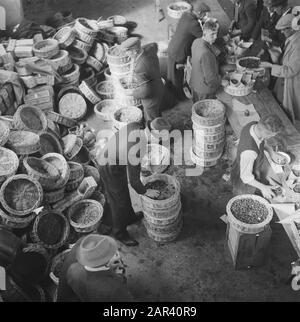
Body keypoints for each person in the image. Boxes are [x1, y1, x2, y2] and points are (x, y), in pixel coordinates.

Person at [95, 122, 160, 246]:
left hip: (115, 158)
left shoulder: (136, 125)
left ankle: (129, 216)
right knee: (118, 201)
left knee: (123, 192)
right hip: (108, 166)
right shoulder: (136, 148)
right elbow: (134, 182)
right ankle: (119, 232)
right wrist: (146, 191)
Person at [57, 234, 133, 302]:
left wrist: (107, 266)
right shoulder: (115, 288)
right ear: (106, 260)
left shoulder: (73, 269)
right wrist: (118, 276)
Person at [231, 115, 284, 198]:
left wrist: (271, 152)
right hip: (244, 176)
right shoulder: (250, 152)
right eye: (271, 136)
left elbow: (262, 140)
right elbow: (246, 177)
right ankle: (241, 198)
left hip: (250, 165)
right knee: (243, 195)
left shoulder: (254, 125)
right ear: (265, 133)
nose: (271, 137)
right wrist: (264, 188)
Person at [167, 1, 211, 99]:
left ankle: (173, 92)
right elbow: (204, 37)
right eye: (204, 14)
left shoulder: (186, 15)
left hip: (173, 47)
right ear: (199, 13)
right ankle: (176, 97)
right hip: (178, 52)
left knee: (172, 74)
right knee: (176, 77)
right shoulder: (193, 23)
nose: (205, 16)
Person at [261, 13, 300, 123]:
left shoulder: (298, 46)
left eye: (283, 30)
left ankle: (287, 127)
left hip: (292, 82)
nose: (282, 32)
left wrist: (271, 66)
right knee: (278, 98)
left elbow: (291, 71)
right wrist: (277, 55)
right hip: (283, 78)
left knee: (287, 108)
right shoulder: (292, 37)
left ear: (292, 28)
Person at [120, 37, 164, 122]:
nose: (126, 54)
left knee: (151, 118)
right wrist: (132, 69)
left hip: (152, 96)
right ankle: (160, 123)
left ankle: (155, 133)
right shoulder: (149, 49)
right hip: (159, 86)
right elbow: (154, 44)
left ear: (135, 51)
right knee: (157, 112)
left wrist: (132, 93)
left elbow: (146, 92)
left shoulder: (140, 68)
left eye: (127, 51)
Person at [190, 19, 221, 103]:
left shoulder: (196, 41)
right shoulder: (206, 54)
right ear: (204, 33)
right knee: (205, 111)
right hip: (204, 90)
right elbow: (210, 79)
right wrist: (221, 81)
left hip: (194, 83)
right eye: (212, 34)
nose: (216, 37)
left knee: (196, 107)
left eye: (216, 33)